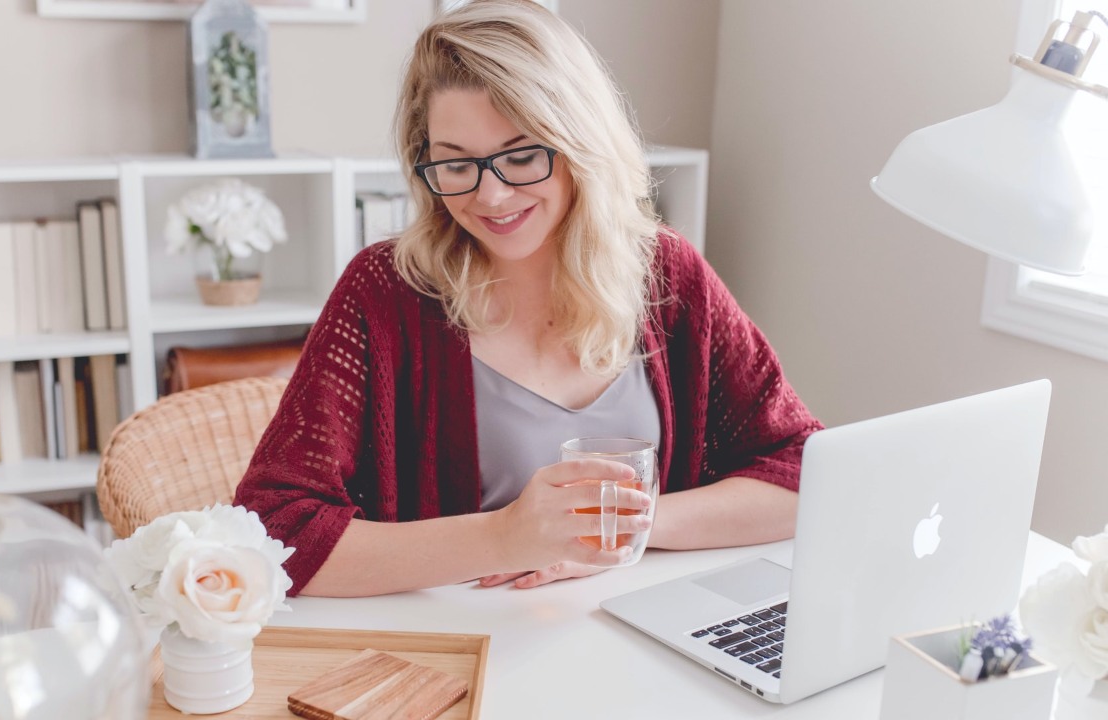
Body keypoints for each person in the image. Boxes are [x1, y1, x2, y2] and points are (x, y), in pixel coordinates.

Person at [234, 0, 822, 597]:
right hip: (459, 653)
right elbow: (271, 530)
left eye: (521, 156)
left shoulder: (667, 275)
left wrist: (619, 529)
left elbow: (805, 472)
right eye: (456, 164)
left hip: (635, 637)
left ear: (581, 144)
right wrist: (506, 536)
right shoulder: (386, 291)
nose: (491, 195)